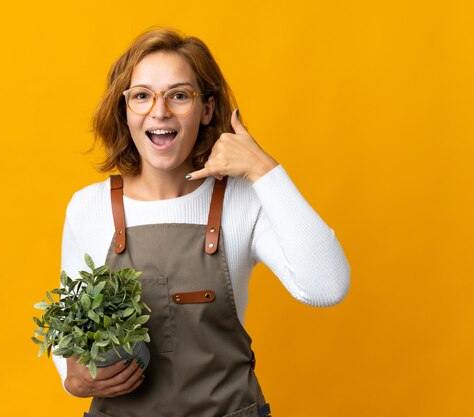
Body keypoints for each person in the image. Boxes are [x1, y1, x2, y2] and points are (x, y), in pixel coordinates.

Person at [53, 28, 350, 417]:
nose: (159, 111)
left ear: (207, 109)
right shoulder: (88, 207)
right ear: (124, 109)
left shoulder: (243, 201)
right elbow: (70, 325)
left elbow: (327, 286)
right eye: (142, 95)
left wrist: (264, 170)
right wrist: (69, 375)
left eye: (179, 95)